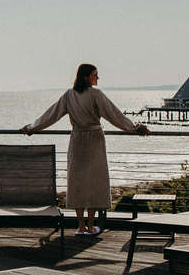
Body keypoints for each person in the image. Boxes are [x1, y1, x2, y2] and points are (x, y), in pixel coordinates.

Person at [22, 63, 149, 236]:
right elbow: (114, 115)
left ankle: (80, 226)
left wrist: (32, 128)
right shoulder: (96, 94)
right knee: (95, 182)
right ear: (85, 77)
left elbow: (51, 115)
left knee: (77, 183)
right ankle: (90, 225)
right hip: (95, 141)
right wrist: (134, 127)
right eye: (95, 75)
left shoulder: (69, 95)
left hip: (77, 141)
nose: (98, 78)